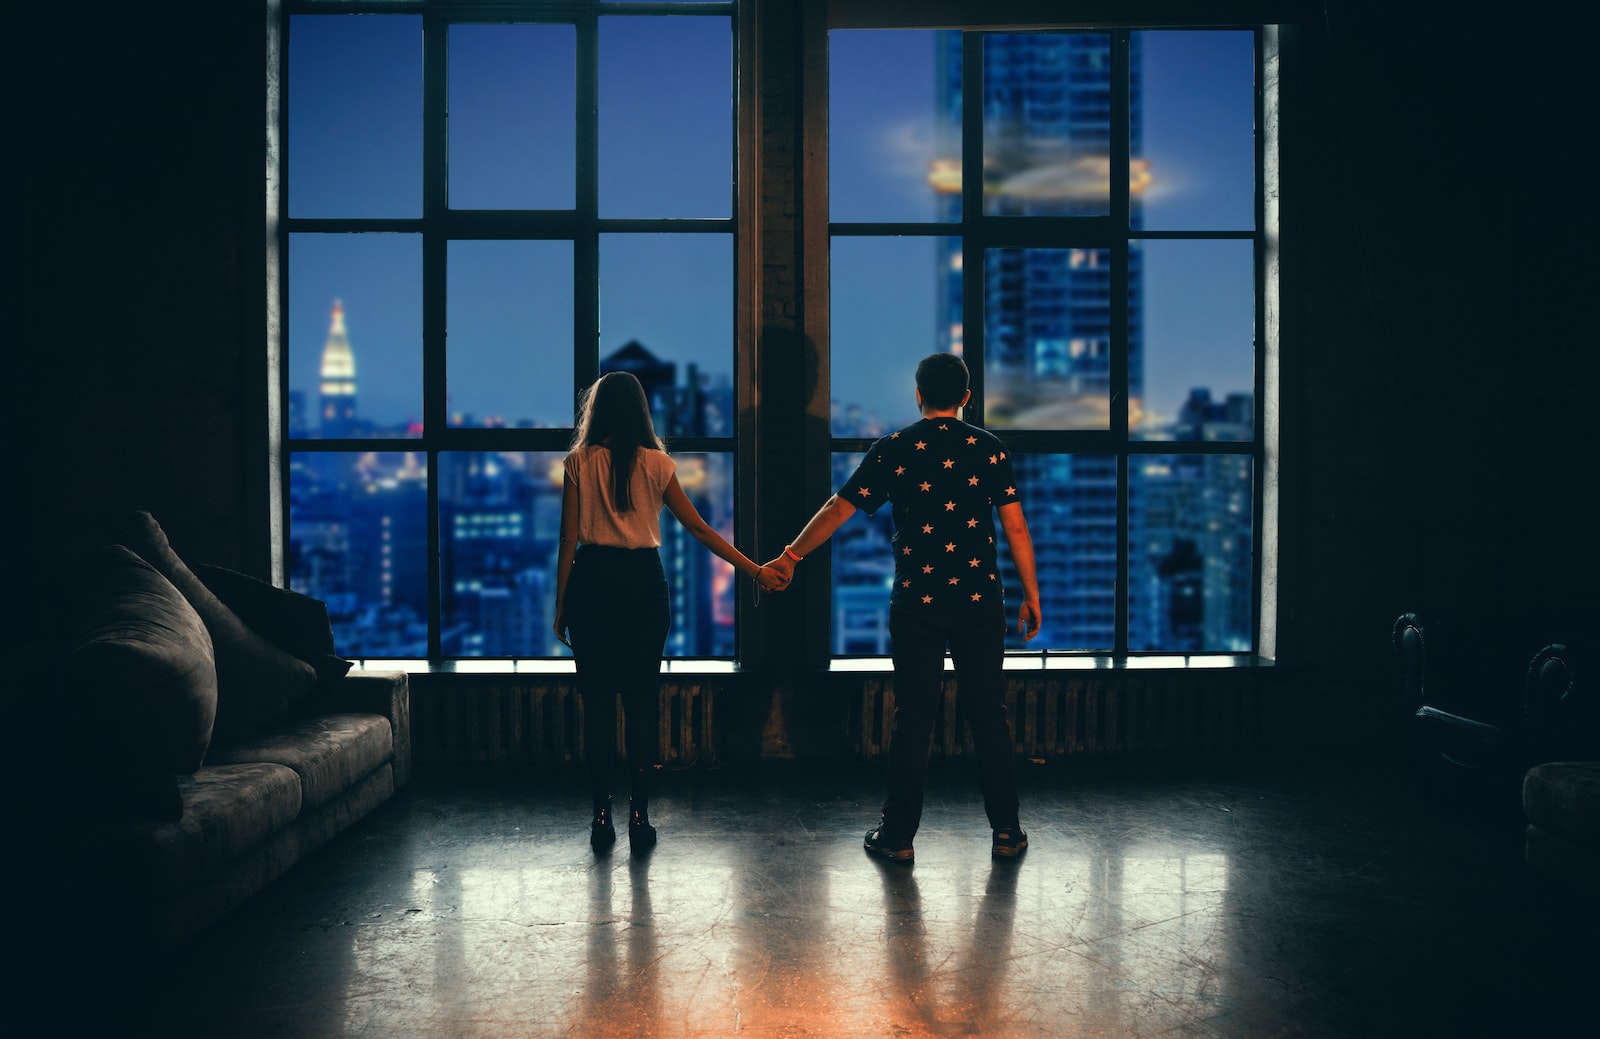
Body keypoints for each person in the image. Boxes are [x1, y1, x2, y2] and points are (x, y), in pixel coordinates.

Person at [764, 353, 1041, 863]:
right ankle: (1007, 831)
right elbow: (1015, 527)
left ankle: (898, 836)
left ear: (918, 395)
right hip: (981, 601)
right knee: (989, 714)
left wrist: (790, 556)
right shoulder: (989, 449)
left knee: (913, 715)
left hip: (917, 602)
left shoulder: (894, 448)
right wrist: (1031, 594)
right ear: (966, 398)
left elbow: (839, 507)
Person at [555, 371, 784, 854]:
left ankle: (601, 819)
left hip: (592, 583)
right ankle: (639, 818)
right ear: (641, 411)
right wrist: (754, 570)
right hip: (643, 584)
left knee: (598, 706)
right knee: (641, 703)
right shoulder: (658, 464)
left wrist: (561, 603)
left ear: (596, 411)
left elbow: (568, 539)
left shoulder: (578, 462)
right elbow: (699, 529)